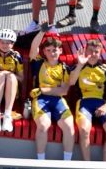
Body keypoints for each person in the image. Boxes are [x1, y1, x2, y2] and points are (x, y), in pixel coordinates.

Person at [28, 28, 75, 160]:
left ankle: (67, 163)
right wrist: (42, 31)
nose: (51, 53)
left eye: (54, 50)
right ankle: (41, 162)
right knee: (43, 125)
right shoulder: (38, 63)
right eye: (48, 50)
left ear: (60, 51)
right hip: (40, 100)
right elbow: (33, 48)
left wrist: (43, 89)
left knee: (69, 126)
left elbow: (64, 91)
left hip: (58, 100)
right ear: (44, 52)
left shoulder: (65, 68)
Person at [68, 39, 106, 162]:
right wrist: (80, 64)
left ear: (100, 53)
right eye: (90, 51)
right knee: (84, 130)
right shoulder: (78, 67)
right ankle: (87, 164)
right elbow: (71, 82)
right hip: (84, 103)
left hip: (102, 104)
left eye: (96, 52)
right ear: (85, 51)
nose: (93, 54)